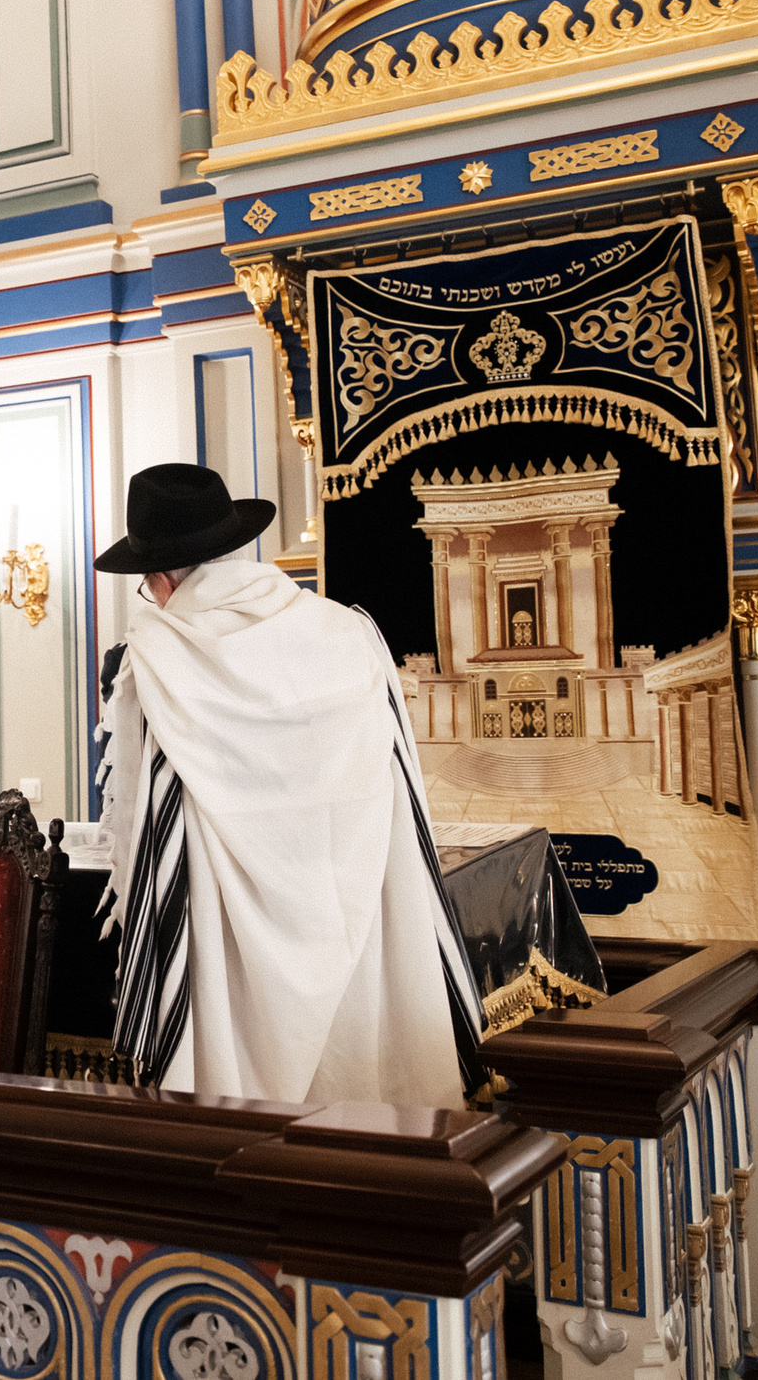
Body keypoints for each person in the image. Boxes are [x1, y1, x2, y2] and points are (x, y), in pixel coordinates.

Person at [93, 463, 481, 1106]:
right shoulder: (349, 632)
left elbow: (148, 836)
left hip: (231, 967)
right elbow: (403, 793)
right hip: (367, 926)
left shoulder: (156, 654)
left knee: (236, 1117)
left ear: (159, 579)